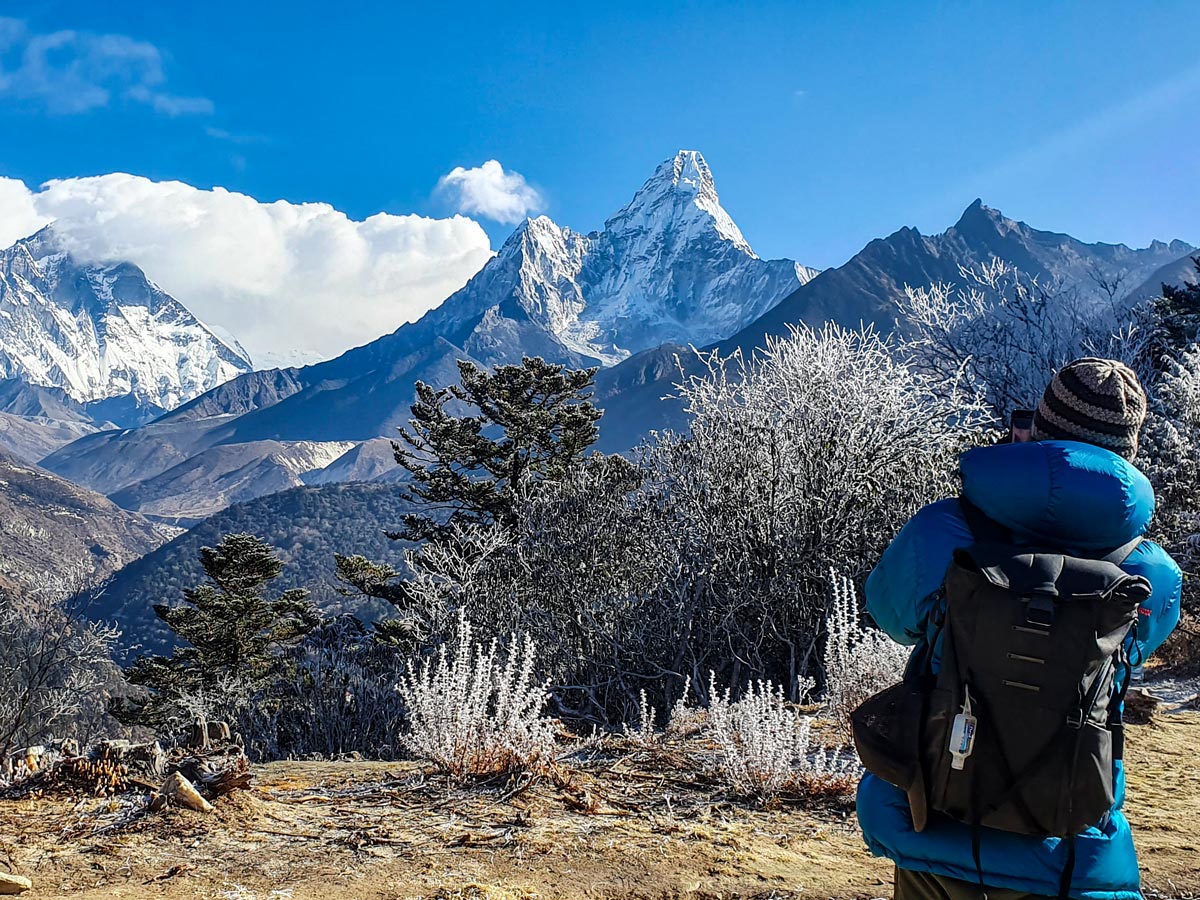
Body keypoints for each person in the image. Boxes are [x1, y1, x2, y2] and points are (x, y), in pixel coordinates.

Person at [857, 358, 1182, 900]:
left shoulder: (947, 527)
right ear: (1128, 454)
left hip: (935, 814)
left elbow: (888, 613)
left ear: (1038, 430)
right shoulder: (1151, 573)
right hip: (1068, 840)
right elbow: (1132, 655)